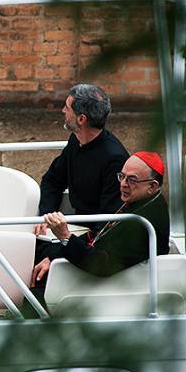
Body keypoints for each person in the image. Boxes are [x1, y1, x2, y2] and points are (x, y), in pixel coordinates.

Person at [32, 151, 169, 284]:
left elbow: (103, 266)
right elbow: (99, 235)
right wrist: (54, 256)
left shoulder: (145, 221)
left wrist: (66, 237)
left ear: (152, 186)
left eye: (132, 179)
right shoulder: (138, 201)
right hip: (96, 270)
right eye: (121, 176)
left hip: (110, 287)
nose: (123, 184)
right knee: (39, 248)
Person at [35, 84, 129, 261]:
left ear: (81, 119)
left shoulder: (114, 159)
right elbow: (52, 180)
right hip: (73, 226)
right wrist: (45, 216)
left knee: (37, 253)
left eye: (67, 107)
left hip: (91, 240)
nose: (63, 110)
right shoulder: (76, 140)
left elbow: (106, 224)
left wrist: (58, 251)